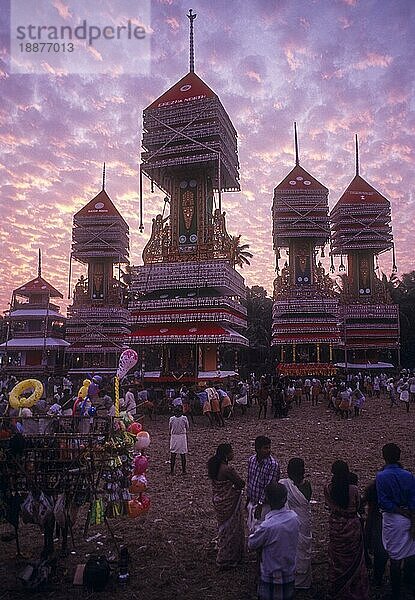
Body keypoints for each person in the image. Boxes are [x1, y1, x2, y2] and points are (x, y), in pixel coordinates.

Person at [324, 460, 369, 600]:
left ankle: (338, 589)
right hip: (352, 525)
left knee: (337, 559)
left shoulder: (328, 488)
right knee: (355, 559)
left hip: (336, 525)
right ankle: (355, 590)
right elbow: (357, 506)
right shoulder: (353, 489)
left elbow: (328, 505)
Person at [376, 443, 415, 598]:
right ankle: (409, 583)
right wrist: (410, 515)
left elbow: (384, 501)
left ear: (384, 457)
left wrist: (399, 511)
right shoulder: (409, 475)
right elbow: (413, 499)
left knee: (395, 557)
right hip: (409, 518)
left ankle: (396, 592)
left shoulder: (381, 476)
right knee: (411, 553)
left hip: (392, 519)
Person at [248, 482, 299, 600]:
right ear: (285, 498)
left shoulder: (267, 526)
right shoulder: (294, 518)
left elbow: (252, 544)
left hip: (270, 575)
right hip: (289, 572)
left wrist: (255, 528)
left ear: (267, 500)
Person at [207, 443, 245, 569]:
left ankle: (224, 553)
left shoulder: (214, 466)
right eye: (231, 452)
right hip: (229, 502)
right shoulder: (227, 470)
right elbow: (240, 483)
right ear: (226, 454)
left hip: (219, 502)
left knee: (223, 529)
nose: (233, 454)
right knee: (232, 530)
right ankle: (228, 558)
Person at [280, 458, 312, 590]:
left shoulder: (283, 485)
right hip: (302, 521)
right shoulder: (306, 486)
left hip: (290, 522)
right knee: (303, 549)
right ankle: (301, 580)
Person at [246, 436, 280, 532]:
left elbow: (269, 487)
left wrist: (260, 505)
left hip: (264, 505)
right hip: (252, 502)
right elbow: (250, 480)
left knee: (261, 530)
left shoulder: (272, 465)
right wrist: (248, 500)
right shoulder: (251, 460)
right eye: (265, 448)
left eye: (269, 447)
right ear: (257, 449)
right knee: (251, 528)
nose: (268, 450)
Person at [169, 406, 189, 475]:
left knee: (173, 454)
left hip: (174, 436)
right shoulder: (184, 418)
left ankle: (172, 470)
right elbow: (187, 427)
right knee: (183, 454)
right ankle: (184, 470)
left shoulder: (172, 419)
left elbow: (170, 427)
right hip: (182, 436)